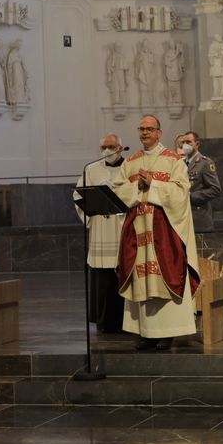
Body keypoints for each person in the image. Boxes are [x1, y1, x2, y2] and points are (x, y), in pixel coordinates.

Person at [112, 115, 200, 352]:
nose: (144, 133)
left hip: (163, 231)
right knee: (141, 279)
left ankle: (167, 334)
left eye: (149, 129)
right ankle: (146, 333)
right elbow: (117, 191)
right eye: (141, 129)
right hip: (139, 232)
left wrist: (153, 185)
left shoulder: (173, 161)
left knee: (164, 275)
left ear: (159, 133)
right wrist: (136, 186)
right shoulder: (130, 162)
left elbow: (182, 193)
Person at [73, 133, 127, 333]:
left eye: (111, 147)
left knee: (121, 274)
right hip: (101, 230)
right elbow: (78, 194)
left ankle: (125, 321)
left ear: (120, 148)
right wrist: (90, 216)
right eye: (104, 147)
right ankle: (103, 321)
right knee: (102, 279)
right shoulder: (91, 169)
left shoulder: (130, 167)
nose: (107, 151)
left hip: (121, 229)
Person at [174, 131, 220, 234]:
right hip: (182, 219)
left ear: (197, 144)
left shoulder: (205, 163)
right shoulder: (180, 164)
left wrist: (191, 196)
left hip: (199, 218)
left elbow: (215, 189)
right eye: (184, 142)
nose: (185, 145)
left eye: (189, 142)